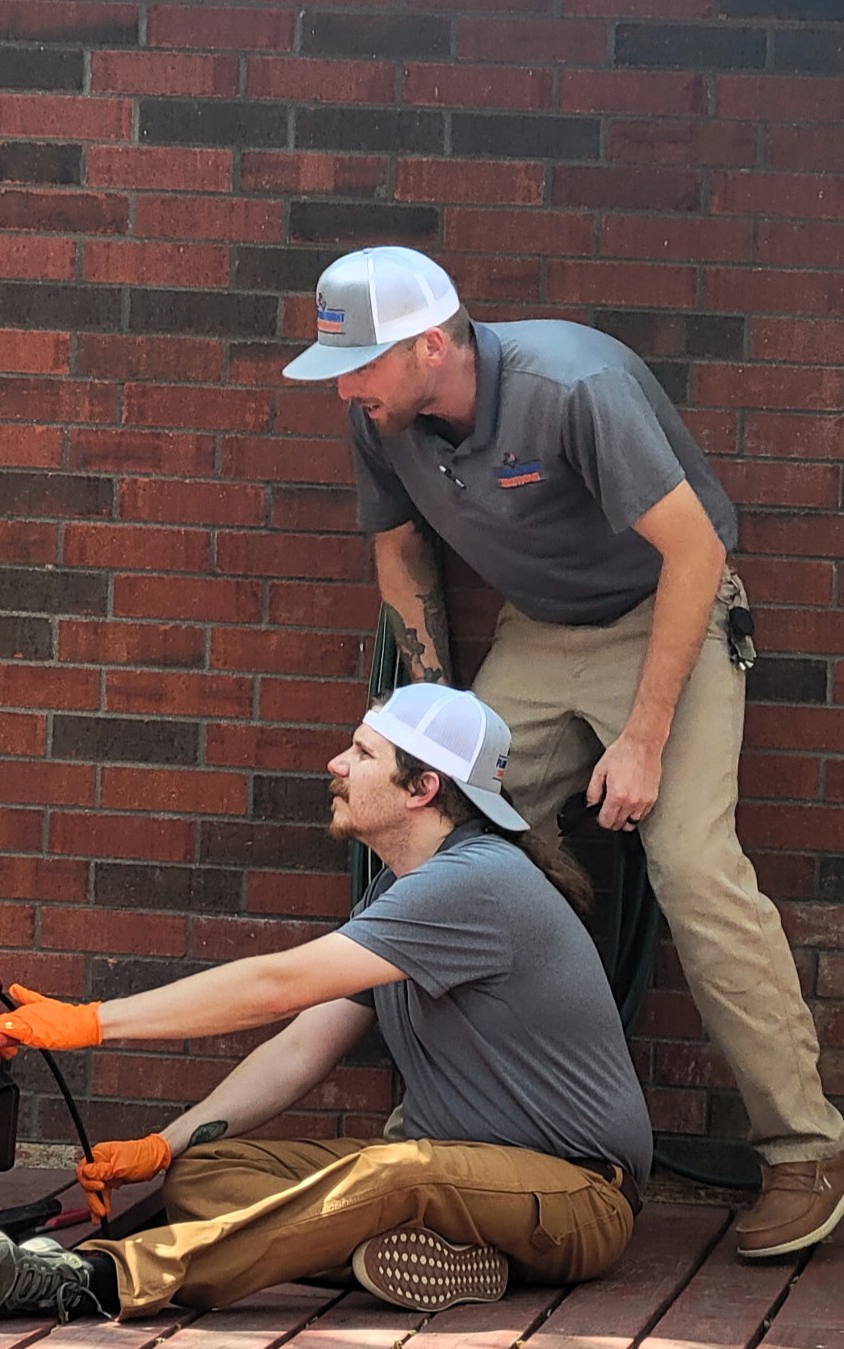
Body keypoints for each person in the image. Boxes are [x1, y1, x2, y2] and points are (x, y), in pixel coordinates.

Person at [282, 244, 844, 1260]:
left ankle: (804, 1150)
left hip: (666, 612)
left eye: (359, 364)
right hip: (539, 634)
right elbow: (400, 547)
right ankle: (458, 1136)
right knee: (424, 828)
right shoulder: (382, 416)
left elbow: (694, 551)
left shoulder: (570, 383)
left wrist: (641, 739)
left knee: (689, 866)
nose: (345, 388)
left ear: (427, 346)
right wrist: (428, 714)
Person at [0, 684, 651, 1324]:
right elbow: (299, 1047)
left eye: (362, 753)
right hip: (451, 1180)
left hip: (578, 1195)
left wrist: (92, 1022)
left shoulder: (478, 883)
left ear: (423, 788)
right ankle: (451, 1258)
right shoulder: (403, 891)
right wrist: (165, 1145)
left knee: (389, 1174)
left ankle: (95, 1279)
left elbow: (276, 986)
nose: (338, 763)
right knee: (205, 1171)